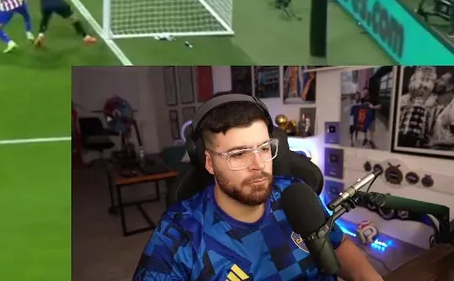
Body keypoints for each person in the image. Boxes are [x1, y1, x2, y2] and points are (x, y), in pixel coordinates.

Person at [132, 94, 382, 281]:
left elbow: (339, 245)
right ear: (209, 162)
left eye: (264, 148)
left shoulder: (294, 192)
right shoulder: (178, 232)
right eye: (238, 154)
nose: (258, 165)